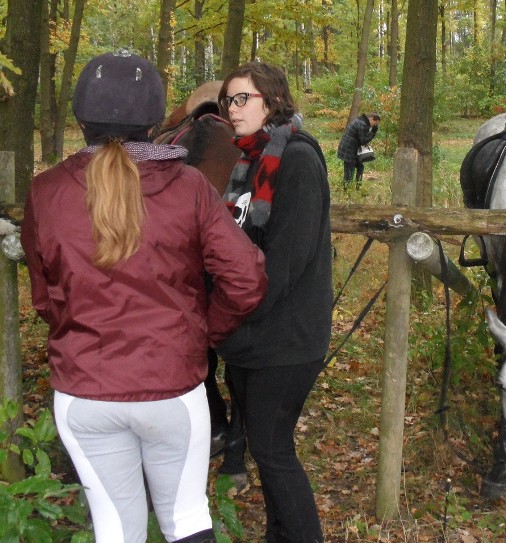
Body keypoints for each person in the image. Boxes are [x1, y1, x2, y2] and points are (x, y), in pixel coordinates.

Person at [21, 50, 268, 543]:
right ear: (156, 119)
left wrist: (80, 332)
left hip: (84, 389)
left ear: (80, 117)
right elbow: (245, 279)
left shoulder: (46, 191)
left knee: (116, 530)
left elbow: (46, 297)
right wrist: (200, 332)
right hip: (171, 387)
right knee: (186, 519)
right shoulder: (189, 187)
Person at [217, 61, 332, 543]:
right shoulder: (248, 159)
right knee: (269, 451)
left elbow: (285, 261)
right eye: (229, 100)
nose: (233, 109)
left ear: (273, 100)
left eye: (243, 98)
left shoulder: (298, 159)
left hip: (285, 336)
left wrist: (232, 313)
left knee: (271, 449)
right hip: (248, 333)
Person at [336, 112, 380, 188]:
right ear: (372, 119)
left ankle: (358, 187)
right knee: (349, 171)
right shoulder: (362, 124)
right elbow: (363, 141)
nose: (375, 125)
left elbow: (360, 139)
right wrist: (373, 132)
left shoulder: (361, 121)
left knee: (360, 167)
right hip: (349, 149)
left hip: (350, 148)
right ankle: (346, 190)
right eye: (375, 123)